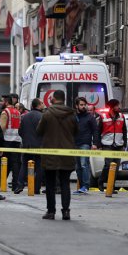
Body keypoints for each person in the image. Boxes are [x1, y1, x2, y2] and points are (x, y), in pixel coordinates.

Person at [36, 90, 77, 220]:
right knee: (65, 183)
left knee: (50, 184)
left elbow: (39, 131)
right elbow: (77, 131)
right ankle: (66, 211)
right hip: (67, 153)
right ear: (63, 99)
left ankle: (51, 211)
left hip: (50, 154)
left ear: (53, 99)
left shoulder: (47, 114)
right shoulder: (71, 114)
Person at [94, 99, 127, 194]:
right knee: (108, 165)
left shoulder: (121, 116)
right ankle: (101, 181)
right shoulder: (103, 116)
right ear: (112, 107)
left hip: (118, 145)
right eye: (117, 106)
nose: (119, 107)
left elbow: (124, 131)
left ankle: (111, 186)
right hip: (107, 144)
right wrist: (98, 144)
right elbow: (98, 131)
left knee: (115, 167)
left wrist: (125, 143)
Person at [16, 98, 44, 195]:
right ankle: (36, 188)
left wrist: (26, 139)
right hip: (39, 146)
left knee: (24, 165)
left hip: (27, 145)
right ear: (38, 105)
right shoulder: (42, 116)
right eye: (42, 103)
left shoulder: (25, 116)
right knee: (39, 167)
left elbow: (20, 131)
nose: (43, 104)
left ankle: (19, 185)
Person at [73, 97, 98, 195]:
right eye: (81, 105)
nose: (83, 107)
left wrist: (95, 143)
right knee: (78, 166)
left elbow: (95, 131)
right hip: (75, 144)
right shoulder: (73, 116)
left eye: (84, 105)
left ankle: (85, 186)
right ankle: (82, 186)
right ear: (76, 106)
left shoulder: (90, 117)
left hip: (85, 144)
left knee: (84, 164)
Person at [0, 94, 22, 192]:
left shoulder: (5, 112)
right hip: (16, 140)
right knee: (15, 163)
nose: (1, 103)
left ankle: (0, 183)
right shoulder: (17, 112)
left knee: (5, 162)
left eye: (2, 101)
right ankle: (15, 184)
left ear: (7, 102)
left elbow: (2, 127)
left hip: (7, 140)